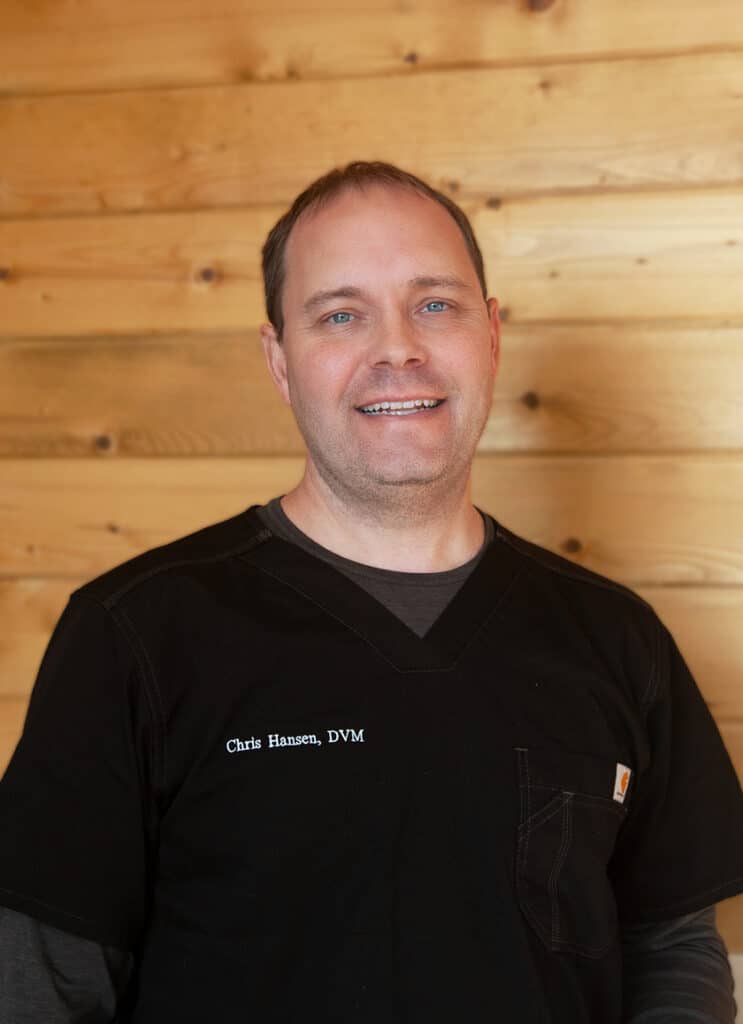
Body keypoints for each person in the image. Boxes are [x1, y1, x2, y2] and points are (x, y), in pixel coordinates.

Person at [1, 161, 742, 1023]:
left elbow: (670, 944)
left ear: (491, 334)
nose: (397, 347)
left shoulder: (617, 638)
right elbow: (40, 987)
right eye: (341, 315)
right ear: (279, 361)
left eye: (434, 303)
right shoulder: (134, 635)